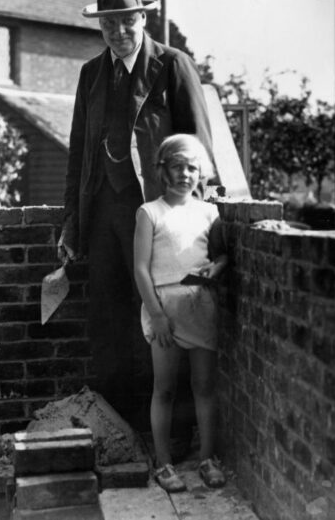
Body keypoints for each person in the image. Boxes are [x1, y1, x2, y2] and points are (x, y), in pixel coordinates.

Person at [59, 0, 213, 426]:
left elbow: (197, 150)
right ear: (100, 25)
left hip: (156, 214)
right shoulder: (91, 74)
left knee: (163, 315)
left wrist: (190, 223)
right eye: (109, 23)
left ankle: (175, 432)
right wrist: (72, 222)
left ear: (143, 17)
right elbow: (77, 153)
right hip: (103, 214)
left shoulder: (171, 65)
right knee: (108, 318)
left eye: (127, 21)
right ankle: (119, 429)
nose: (119, 32)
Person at [133, 134, 227, 493]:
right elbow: (141, 269)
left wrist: (216, 269)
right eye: (177, 166)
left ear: (200, 172)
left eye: (192, 167)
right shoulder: (149, 212)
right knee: (166, 388)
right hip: (165, 309)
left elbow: (220, 256)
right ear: (162, 170)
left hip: (200, 305)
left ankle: (207, 457)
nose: (185, 174)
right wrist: (156, 315)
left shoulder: (209, 212)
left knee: (204, 386)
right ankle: (163, 462)